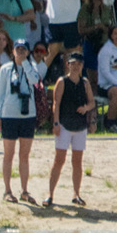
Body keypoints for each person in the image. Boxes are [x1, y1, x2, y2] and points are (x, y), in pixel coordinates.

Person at [0, 37, 41, 205]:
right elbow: (0, 94)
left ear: (28, 52)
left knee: (24, 155)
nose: (20, 52)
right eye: (18, 49)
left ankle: (24, 190)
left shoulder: (32, 66)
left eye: (24, 49)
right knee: (9, 154)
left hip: (28, 115)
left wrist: (25, 63)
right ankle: (7, 190)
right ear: (13, 51)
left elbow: (35, 81)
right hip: (9, 114)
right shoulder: (5, 69)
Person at [44, 53, 94, 208]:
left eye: (79, 64)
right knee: (59, 160)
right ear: (68, 64)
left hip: (80, 126)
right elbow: (56, 104)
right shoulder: (62, 81)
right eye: (73, 63)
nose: (76, 66)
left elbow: (92, 102)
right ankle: (50, 194)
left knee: (77, 161)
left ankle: (76, 194)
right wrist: (56, 123)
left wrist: (86, 109)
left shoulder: (85, 83)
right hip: (65, 125)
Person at [41, 0, 84, 66]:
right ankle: (72, 76)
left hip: (53, 18)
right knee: (73, 52)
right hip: (70, 19)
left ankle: (36, 74)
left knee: (51, 52)